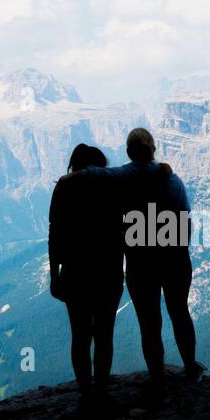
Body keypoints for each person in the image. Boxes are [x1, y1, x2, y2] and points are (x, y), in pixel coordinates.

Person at [77, 127, 205, 391]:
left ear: (127, 152)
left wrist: (65, 182)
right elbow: (186, 224)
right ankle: (190, 366)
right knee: (180, 313)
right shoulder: (173, 181)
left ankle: (157, 376)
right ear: (154, 149)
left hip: (141, 262)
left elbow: (89, 176)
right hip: (174, 258)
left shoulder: (121, 178)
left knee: (149, 323)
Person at [48, 144, 123, 406]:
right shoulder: (114, 186)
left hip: (75, 273)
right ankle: (101, 390)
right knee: (104, 335)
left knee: (80, 336)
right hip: (109, 271)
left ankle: (85, 393)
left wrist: (54, 275)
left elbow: (54, 234)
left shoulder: (64, 187)